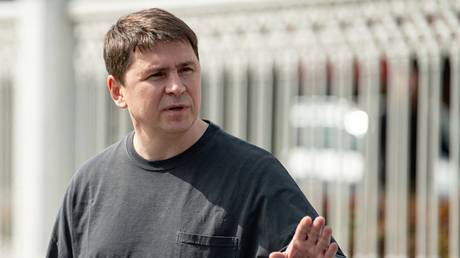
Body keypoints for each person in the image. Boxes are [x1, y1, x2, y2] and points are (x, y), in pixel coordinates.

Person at [46, 8, 346, 258]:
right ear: (117, 91)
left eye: (187, 69)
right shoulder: (89, 187)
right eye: (157, 74)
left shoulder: (255, 177)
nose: (177, 86)